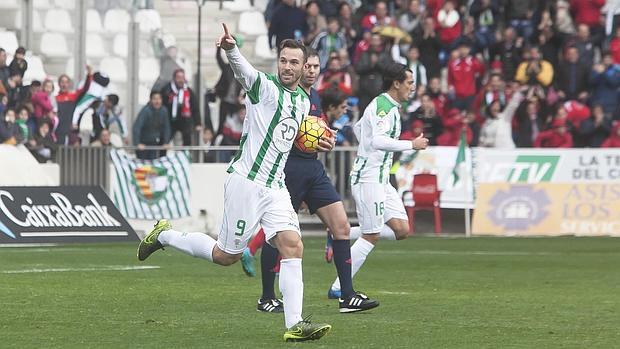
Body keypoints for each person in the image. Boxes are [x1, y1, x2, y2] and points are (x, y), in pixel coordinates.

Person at [137, 25, 331, 342]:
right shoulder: (265, 88)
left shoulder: (303, 104)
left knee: (293, 245)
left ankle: (294, 324)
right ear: (278, 62)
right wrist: (231, 49)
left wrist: (316, 142)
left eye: (294, 63)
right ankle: (166, 235)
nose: (287, 67)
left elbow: (285, 138)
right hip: (247, 182)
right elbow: (245, 72)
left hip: (275, 187)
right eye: (283, 60)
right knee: (225, 256)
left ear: (303, 67)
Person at [240, 51, 378, 315]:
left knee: (341, 225)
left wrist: (327, 138)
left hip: (313, 168)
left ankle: (347, 296)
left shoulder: (314, 95)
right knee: (277, 235)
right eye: (309, 66)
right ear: (300, 67)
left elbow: (314, 131)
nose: (312, 71)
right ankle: (267, 296)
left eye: (316, 66)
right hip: (289, 168)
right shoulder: (286, 94)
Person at [327, 63, 429, 299]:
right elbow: (378, 141)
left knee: (402, 230)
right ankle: (338, 287)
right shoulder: (383, 106)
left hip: (381, 180)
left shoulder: (388, 106)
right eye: (409, 83)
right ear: (396, 83)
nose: (412, 88)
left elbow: (360, 128)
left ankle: (338, 234)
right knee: (371, 235)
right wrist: (410, 144)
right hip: (368, 179)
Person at [160, 69, 208, 146]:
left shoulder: (188, 91)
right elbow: (161, 105)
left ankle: (185, 155)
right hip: (170, 120)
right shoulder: (167, 90)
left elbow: (195, 107)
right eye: (178, 77)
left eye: (182, 77)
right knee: (165, 139)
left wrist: (198, 123)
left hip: (184, 120)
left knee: (187, 138)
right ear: (174, 78)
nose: (180, 80)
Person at [132, 91, 171, 160]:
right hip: (143, 144)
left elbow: (166, 128)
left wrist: (166, 142)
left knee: (153, 165)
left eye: (159, 99)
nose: (157, 101)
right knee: (143, 166)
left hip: (154, 143)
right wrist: (137, 143)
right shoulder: (146, 111)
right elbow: (137, 127)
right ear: (150, 100)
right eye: (154, 99)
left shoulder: (164, 111)